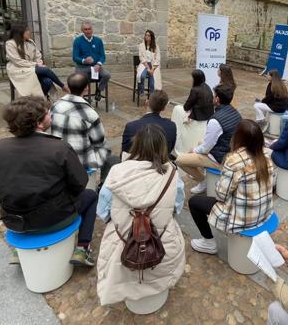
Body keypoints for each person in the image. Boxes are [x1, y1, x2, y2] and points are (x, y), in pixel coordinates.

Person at [0, 96, 98, 267]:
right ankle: (83, 248)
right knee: (90, 195)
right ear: (39, 123)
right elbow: (79, 184)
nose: (50, 116)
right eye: (48, 113)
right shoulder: (59, 148)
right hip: (53, 220)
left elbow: (0, 186)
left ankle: (19, 249)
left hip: (14, 220)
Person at [96, 125, 185, 306]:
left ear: (135, 145)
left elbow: (103, 211)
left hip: (121, 244)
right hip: (161, 242)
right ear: (163, 147)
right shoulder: (173, 175)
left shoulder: (115, 173)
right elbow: (176, 208)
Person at [188, 120, 274, 254]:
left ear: (238, 137)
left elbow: (221, 196)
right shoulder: (266, 157)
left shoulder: (234, 160)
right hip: (264, 213)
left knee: (194, 202)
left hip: (241, 218)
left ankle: (208, 242)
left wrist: (219, 183)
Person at [176, 84, 242, 194]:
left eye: (214, 96)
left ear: (217, 99)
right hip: (230, 152)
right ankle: (201, 172)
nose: (212, 98)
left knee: (180, 160)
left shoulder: (215, 121)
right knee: (200, 142)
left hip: (221, 159)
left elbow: (206, 148)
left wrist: (194, 150)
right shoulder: (235, 113)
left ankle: (203, 181)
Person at [49, 72, 109, 173]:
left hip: (57, 158)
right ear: (86, 89)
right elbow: (99, 141)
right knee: (106, 152)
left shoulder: (55, 106)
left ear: (68, 86)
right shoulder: (89, 113)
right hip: (80, 163)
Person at [5, 24, 68, 98]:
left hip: (32, 68)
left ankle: (39, 101)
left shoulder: (31, 42)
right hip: (19, 69)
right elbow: (17, 61)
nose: (29, 32)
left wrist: (39, 63)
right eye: (27, 30)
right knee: (45, 70)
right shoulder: (10, 44)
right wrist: (36, 65)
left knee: (48, 81)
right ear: (20, 32)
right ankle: (63, 86)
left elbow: (38, 56)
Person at [171, 69, 215, 155]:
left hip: (197, 116)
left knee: (177, 109)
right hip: (207, 115)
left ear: (196, 79)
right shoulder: (207, 87)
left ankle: (176, 136)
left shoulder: (195, 90)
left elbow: (186, 107)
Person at [122, 90, 176, 154]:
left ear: (147, 103)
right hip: (160, 162)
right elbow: (169, 150)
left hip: (137, 162)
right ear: (163, 108)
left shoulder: (131, 127)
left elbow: (125, 152)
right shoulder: (171, 126)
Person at [72, 21, 111, 101]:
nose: (88, 31)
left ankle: (99, 90)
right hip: (82, 67)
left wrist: (99, 64)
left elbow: (102, 56)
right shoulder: (77, 41)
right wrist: (84, 60)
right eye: (85, 29)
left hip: (95, 67)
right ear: (82, 30)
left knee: (107, 75)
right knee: (80, 79)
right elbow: (75, 57)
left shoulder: (98, 41)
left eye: (89, 29)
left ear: (92, 29)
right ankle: (83, 97)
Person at [136, 29, 161, 94]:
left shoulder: (156, 46)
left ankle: (151, 95)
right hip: (144, 64)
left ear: (151, 37)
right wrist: (148, 68)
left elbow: (157, 59)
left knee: (152, 81)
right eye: (146, 35)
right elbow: (141, 58)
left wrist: (152, 69)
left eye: (148, 35)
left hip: (153, 65)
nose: (146, 36)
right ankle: (141, 91)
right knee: (142, 76)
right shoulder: (141, 45)